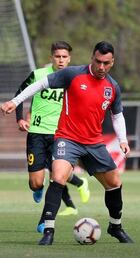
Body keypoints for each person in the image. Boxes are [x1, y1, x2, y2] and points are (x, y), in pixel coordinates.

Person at [1, 41, 133, 245]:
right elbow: (41, 84)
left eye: (106, 63)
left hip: (94, 143)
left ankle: (115, 227)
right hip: (67, 138)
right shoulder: (72, 74)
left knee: (115, 183)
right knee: (58, 176)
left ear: (112, 62)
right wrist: (15, 102)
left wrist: (123, 140)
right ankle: (48, 231)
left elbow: (117, 116)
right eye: (98, 61)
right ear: (92, 58)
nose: (101, 67)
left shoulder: (112, 87)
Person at [14, 41, 90, 234]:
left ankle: (44, 221)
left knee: (57, 179)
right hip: (37, 134)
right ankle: (37, 188)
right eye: (58, 56)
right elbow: (20, 94)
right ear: (51, 58)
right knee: (36, 183)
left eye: (64, 57)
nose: (61, 60)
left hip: (61, 135)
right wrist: (20, 119)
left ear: (69, 59)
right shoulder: (39, 75)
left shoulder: (74, 79)